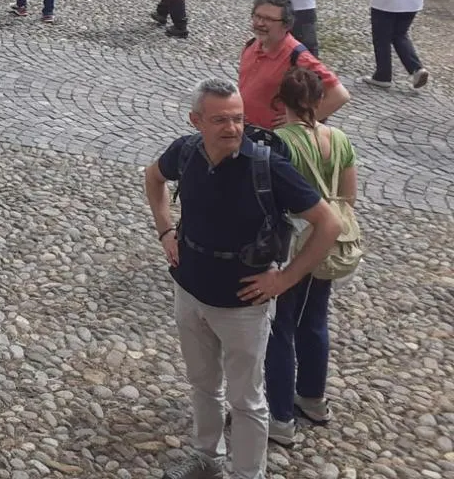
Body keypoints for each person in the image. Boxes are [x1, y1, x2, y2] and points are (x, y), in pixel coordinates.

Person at [143, 77, 339, 479]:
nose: (232, 128)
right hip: (190, 290)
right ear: (196, 121)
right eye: (220, 120)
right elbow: (153, 177)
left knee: (246, 399)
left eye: (238, 118)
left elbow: (329, 223)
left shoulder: (267, 167)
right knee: (203, 384)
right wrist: (165, 231)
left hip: (244, 304)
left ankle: (249, 474)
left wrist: (285, 279)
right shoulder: (185, 152)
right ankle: (207, 458)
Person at [265, 67, 358, 446]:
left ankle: (280, 416)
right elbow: (349, 196)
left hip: (292, 243)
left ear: (280, 102)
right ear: (320, 100)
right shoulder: (340, 139)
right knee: (316, 318)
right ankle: (313, 398)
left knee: (280, 326)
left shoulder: (279, 143)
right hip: (330, 241)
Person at [237, 0, 349, 131]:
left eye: (269, 19)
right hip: (244, 130)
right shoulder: (251, 46)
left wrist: (303, 120)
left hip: (273, 137)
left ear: (286, 25)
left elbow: (339, 95)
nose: (260, 23)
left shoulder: (297, 56)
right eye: (257, 16)